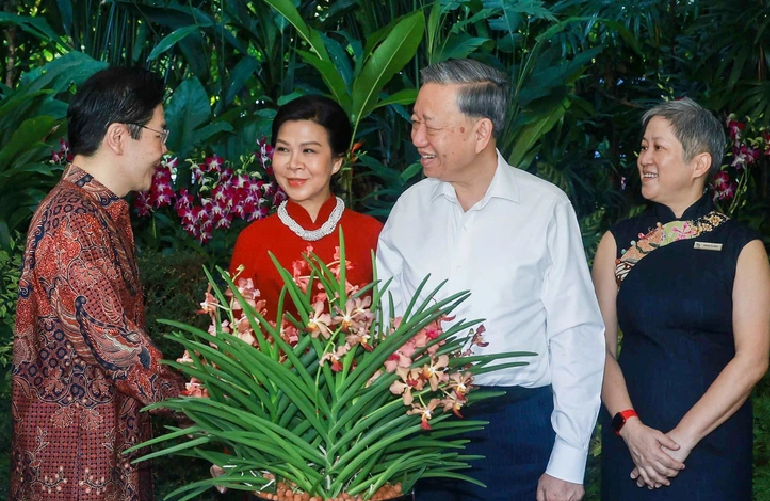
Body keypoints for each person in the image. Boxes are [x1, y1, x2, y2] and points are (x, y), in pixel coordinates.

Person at [375, 59, 605, 501]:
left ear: (480, 133)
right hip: (425, 423)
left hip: (517, 428)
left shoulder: (545, 208)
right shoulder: (410, 207)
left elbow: (576, 336)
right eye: (415, 122)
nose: (417, 138)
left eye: (431, 126)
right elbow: (389, 324)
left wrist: (568, 460)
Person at [10, 67, 184, 501]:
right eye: (159, 135)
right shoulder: (73, 222)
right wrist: (204, 407)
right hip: (76, 473)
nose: (164, 149)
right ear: (120, 137)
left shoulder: (97, 212)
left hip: (106, 454)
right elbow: (118, 347)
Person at [595, 98, 770, 500]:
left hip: (711, 450)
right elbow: (597, 347)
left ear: (699, 163)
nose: (644, 158)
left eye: (659, 147)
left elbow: (753, 360)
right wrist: (631, 429)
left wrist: (680, 441)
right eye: (642, 147)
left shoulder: (741, 247)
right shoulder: (617, 242)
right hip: (632, 446)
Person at [229, 95, 383, 315]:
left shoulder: (373, 235)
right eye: (283, 149)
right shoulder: (252, 240)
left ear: (337, 161)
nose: (293, 164)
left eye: (309, 151)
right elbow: (236, 333)